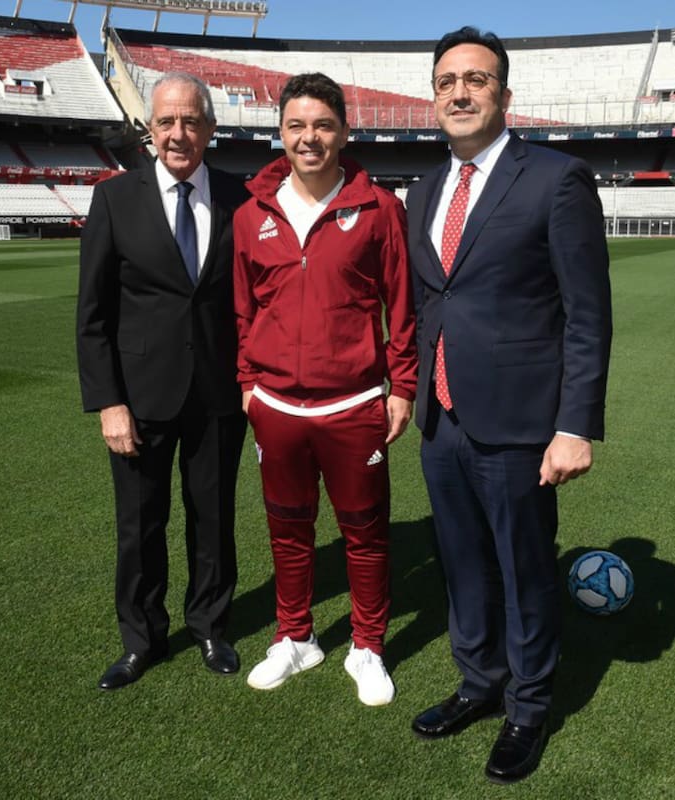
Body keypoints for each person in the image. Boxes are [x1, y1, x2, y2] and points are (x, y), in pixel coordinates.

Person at [406, 28, 612, 783]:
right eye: (447, 81)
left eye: (477, 80)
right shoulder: (423, 191)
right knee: (461, 567)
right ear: (434, 96)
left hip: (523, 423)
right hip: (444, 419)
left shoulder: (557, 179)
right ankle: (479, 681)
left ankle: (528, 706)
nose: (460, 92)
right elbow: (435, 302)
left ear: (504, 95)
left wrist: (574, 425)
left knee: (525, 570)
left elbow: (588, 312)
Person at [233, 72, 417, 707]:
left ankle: (368, 646)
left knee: (365, 532)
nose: (308, 137)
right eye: (295, 125)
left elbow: (402, 305)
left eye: (321, 125)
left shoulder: (380, 210)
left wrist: (402, 387)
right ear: (279, 132)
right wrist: (249, 383)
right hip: (277, 406)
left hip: (353, 403)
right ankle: (297, 638)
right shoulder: (249, 215)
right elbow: (243, 311)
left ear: (344, 131)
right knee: (287, 529)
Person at [76, 72, 248, 690]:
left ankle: (209, 625)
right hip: (140, 397)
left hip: (219, 394)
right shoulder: (114, 199)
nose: (179, 133)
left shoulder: (241, 197)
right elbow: (91, 314)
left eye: (191, 121)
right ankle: (140, 639)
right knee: (140, 525)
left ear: (210, 128)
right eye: (166, 122)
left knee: (214, 519)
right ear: (150, 129)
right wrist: (108, 402)